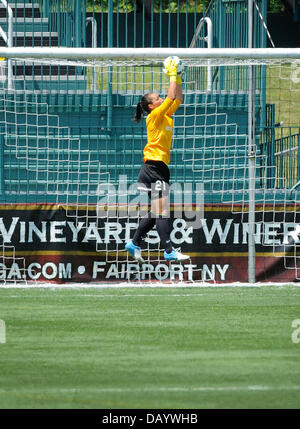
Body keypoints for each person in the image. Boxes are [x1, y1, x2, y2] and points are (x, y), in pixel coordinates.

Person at [125, 57, 190, 264]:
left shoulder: (165, 116)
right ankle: (169, 250)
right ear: (152, 106)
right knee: (162, 212)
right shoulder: (153, 117)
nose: (161, 99)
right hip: (153, 167)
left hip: (158, 167)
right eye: (158, 98)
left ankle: (134, 243)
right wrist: (171, 73)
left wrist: (177, 77)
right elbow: (171, 96)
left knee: (156, 212)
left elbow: (177, 98)